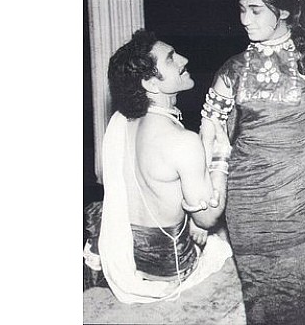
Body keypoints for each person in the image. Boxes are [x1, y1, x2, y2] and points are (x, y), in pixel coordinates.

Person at [200, 0, 305, 324]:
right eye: (241, 10)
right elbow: (208, 136)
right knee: (259, 301)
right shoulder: (232, 70)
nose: (244, 19)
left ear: (282, 12)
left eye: (255, 10)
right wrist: (203, 202)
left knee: (304, 298)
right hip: (248, 210)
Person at [85, 29, 232, 304]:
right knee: (226, 242)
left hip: (132, 262)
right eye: (171, 58)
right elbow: (207, 218)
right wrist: (221, 153)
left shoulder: (122, 122)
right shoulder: (181, 141)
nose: (184, 59)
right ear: (151, 83)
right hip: (173, 270)